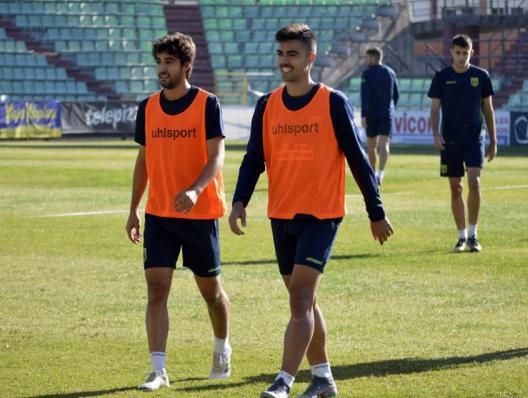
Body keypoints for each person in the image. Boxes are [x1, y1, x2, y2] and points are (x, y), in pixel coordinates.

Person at [228, 24, 394, 398]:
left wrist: (376, 211)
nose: (284, 61)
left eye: (293, 54)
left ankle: (283, 381)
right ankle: (323, 379)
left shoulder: (332, 102)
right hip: (281, 215)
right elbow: (254, 158)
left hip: (321, 215)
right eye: (281, 54)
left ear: (310, 58)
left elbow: (357, 158)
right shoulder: (267, 104)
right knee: (305, 301)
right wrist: (240, 200)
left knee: (300, 298)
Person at [125, 32, 232, 391]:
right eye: (158, 62)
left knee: (211, 293)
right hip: (159, 214)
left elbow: (217, 156)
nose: (162, 69)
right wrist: (134, 209)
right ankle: (158, 369)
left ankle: (221, 346)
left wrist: (195, 189)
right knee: (156, 290)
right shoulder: (148, 107)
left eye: (169, 62)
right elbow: (144, 160)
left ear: (186, 65)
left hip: (200, 215)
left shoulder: (207, 104)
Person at [428, 34, 497, 253]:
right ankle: (461, 237)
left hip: (474, 139)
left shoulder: (481, 76)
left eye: (465, 53)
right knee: (456, 187)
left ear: (471, 53)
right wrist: (435, 135)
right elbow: (435, 108)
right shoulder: (441, 77)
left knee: (474, 182)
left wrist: (494, 140)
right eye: (457, 53)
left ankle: (474, 235)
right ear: (451, 53)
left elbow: (488, 109)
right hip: (450, 140)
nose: (461, 57)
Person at [360, 47, 400, 186]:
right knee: (384, 144)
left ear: (374, 57)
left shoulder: (367, 74)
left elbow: (365, 95)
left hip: (371, 114)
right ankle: (380, 173)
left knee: (371, 146)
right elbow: (396, 94)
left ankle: (372, 174)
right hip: (386, 113)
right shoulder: (391, 72)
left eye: (367, 57)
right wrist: (390, 108)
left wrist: (364, 114)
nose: (366, 60)